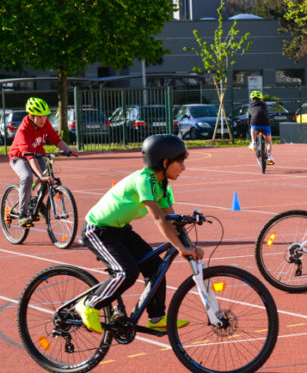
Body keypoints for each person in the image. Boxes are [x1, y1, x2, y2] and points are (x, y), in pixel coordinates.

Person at [75, 134, 203, 334]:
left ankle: (156, 317)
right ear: (165, 162)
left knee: (155, 267)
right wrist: (181, 247)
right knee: (127, 272)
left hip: (120, 229)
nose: (184, 167)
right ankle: (89, 304)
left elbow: (172, 218)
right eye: (181, 162)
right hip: (98, 229)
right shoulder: (144, 179)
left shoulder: (162, 185)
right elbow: (159, 218)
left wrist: (189, 246)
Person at [7, 97, 79, 226]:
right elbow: (29, 157)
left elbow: (56, 140)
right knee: (27, 176)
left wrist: (68, 150)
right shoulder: (24, 130)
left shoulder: (45, 124)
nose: (43, 120)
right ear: (31, 116)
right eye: (39, 117)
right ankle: (22, 213)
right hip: (19, 157)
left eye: (44, 116)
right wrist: (40, 175)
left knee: (49, 177)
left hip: (38, 155)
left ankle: (35, 201)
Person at [246, 90, 274, 165]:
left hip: (255, 124)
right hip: (265, 124)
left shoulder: (250, 106)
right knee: (268, 141)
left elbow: (249, 118)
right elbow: (266, 114)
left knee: (253, 127)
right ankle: (270, 156)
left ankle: (254, 142)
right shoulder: (264, 105)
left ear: (252, 99)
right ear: (261, 98)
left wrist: (249, 127)